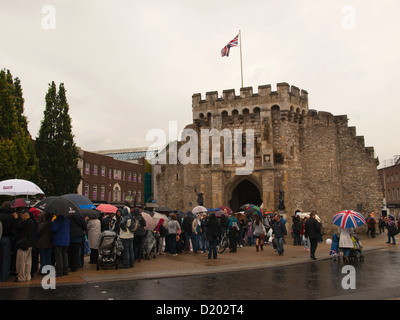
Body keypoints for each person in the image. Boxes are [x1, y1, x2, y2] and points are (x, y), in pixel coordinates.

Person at [13, 209, 35, 282]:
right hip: (30, 244)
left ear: (26, 214)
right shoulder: (31, 222)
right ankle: (27, 276)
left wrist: (15, 219)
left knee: (21, 262)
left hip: (23, 244)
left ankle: (21, 277)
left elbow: (17, 227)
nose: (20, 215)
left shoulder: (26, 222)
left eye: (21, 214)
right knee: (28, 262)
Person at [0, 201, 16, 282]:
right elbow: (14, 229)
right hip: (7, 238)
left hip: (1, 236)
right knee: (6, 259)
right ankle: (4, 277)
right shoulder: (12, 216)